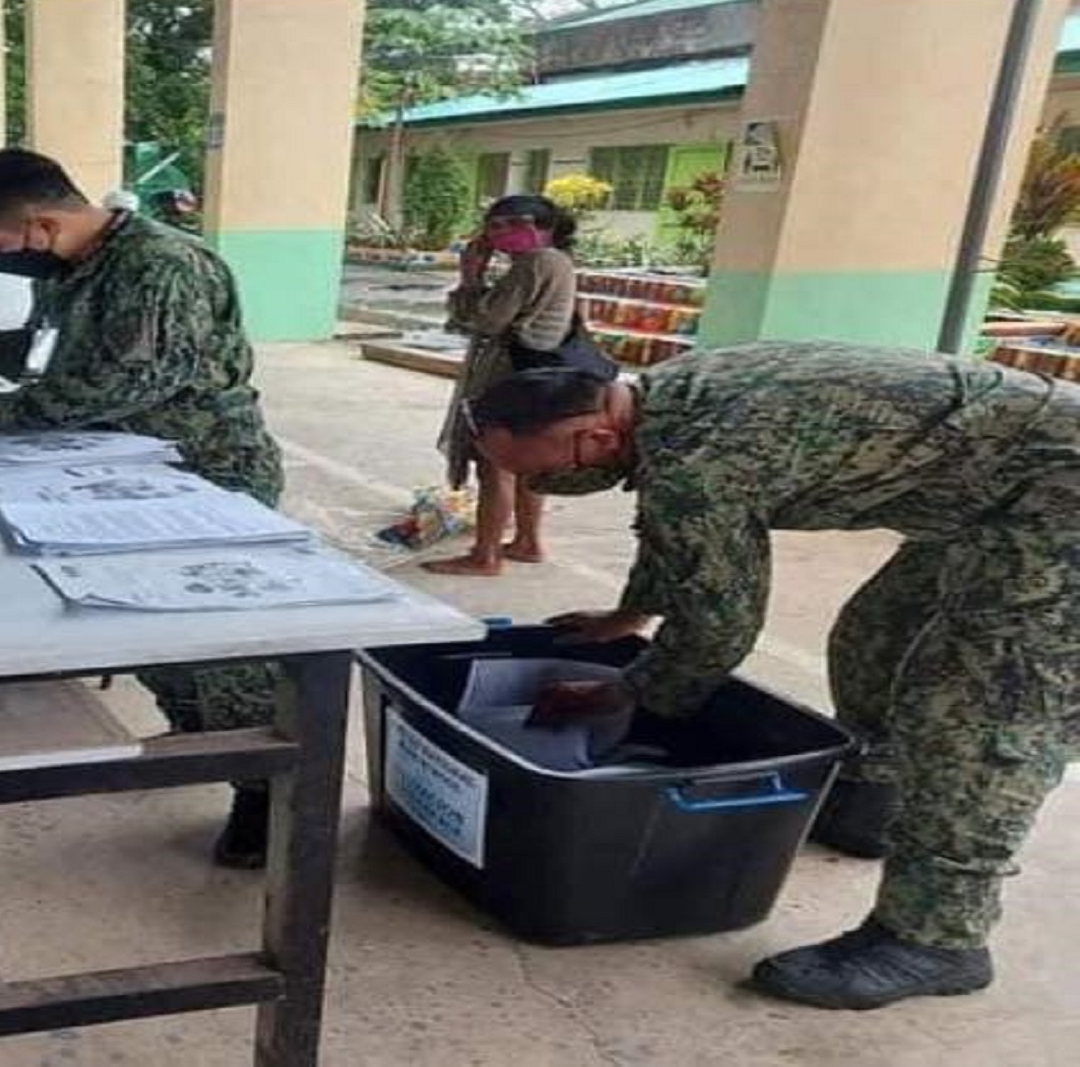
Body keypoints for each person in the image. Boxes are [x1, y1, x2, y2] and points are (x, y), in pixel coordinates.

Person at [463, 343, 1078, 1011]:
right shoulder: (661, 402)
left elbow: (720, 625)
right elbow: (678, 536)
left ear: (597, 437)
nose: (539, 488)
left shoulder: (700, 461)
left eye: (539, 473)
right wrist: (629, 614)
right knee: (875, 640)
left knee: (976, 713)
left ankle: (935, 937)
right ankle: (878, 804)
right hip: (992, 499)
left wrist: (627, 693)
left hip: (1057, 506)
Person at [0, 148, 286, 869]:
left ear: (41, 224)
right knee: (152, 637)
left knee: (221, 650)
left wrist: (3, 414)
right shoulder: (80, 265)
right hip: (115, 477)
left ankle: (269, 790)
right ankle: (210, 748)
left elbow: (128, 377)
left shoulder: (161, 265)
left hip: (203, 478)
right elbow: (66, 351)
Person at [426, 194, 581, 577]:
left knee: (496, 464)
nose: (495, 236)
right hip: (542, 374)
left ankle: (486, 554)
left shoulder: (534, 264)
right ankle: (527, 541)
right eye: (492, 227)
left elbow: (486, 321)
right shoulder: (558, 262)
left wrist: (471, 277)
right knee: (529, 463)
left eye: (505, 226)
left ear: (538, 227)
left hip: (511, 376)